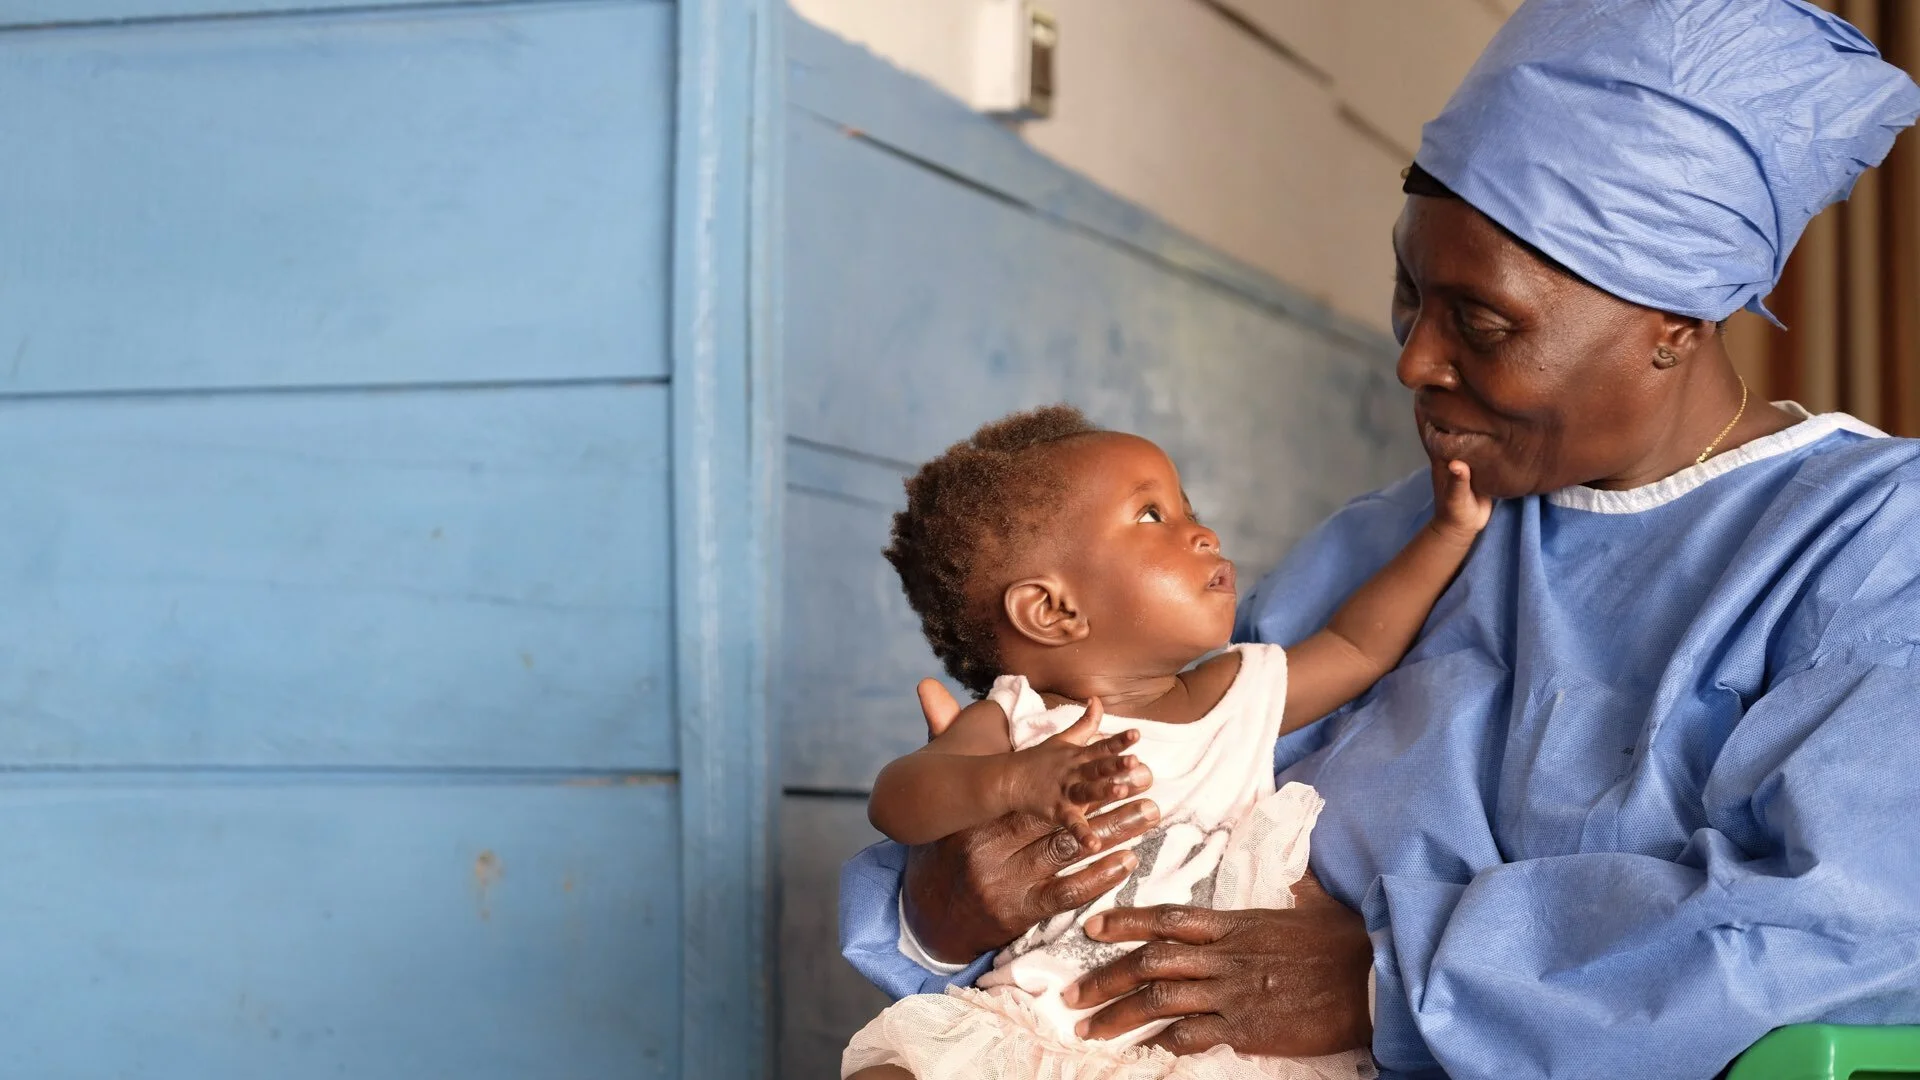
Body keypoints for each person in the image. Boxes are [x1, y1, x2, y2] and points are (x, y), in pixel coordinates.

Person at [838, 1, 1920, 1077]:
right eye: (1410, 296)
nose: (1414, 363)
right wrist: (947, 903)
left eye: (1484, 325)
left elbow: (1851, 923)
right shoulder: (1384, 544)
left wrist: (1387, 977)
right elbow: (1152, 795)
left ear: (1671, 323)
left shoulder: (1868, 546)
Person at [843, 406, 1490, 1079]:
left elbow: (1358, 645)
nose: (1203, 533)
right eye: (1153, 516)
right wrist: (1014, 781)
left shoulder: (1239, 692)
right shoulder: (1024, 724)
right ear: (1052, 609)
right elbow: (898, 798)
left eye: (1189, 509)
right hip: (1044, 1025)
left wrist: (1448, 532)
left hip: (1221, 1046)